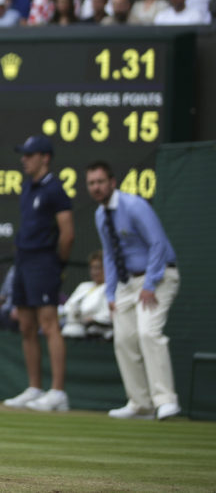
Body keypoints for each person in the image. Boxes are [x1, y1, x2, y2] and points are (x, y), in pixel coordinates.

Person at [85, 161, 181, 421]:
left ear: (112, 183)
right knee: (124, 339)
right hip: (127, 284)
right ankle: (141, 405)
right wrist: (111, 294)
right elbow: (109, 255)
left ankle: (166, 401)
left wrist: (150, 284)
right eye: (92, 183)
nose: (96, 187)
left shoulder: (134, 205)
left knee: (148, 333)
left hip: (158, 276)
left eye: (100, 182)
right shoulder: (99, 215)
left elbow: (158, 244)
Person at [4, 135, 74, 412]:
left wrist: (57, 264)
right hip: (23, 260)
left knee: (49, 324)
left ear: (44, 157)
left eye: (29, 155)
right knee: (26, 326)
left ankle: (58, 392)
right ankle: (35, 388)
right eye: (24, 154)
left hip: (44, 261)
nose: (24, 159)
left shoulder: (55, 189)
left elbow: (67, 234)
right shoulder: (27, 187)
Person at [61, 250, 111, 338]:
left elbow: (107, 315)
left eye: (98, 268)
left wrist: (92, 319)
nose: (94, 272)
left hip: (95, 329)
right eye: (92, 268)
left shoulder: (110, 288)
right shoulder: (84, 286)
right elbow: (68, 307)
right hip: (69, 323)